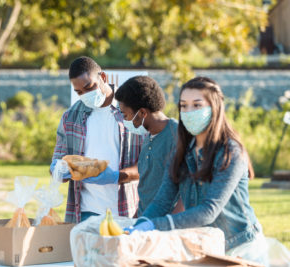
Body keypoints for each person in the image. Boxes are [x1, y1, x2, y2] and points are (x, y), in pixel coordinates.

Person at [124, 77, 268, 264]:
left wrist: (155, 225)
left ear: (214, 108)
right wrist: (140, 225)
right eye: (183, 106)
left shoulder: (230, 152)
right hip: (205, 246)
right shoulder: (181, 151)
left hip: (241, 247)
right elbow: (162, 201)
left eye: (196, 105)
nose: (188, 111)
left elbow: (209, 210)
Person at [50, 56, 143, 223]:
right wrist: (58, 170)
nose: (85, 95)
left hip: (128, 211)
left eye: (89, 87)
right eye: (79, 92)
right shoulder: (70, 117)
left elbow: (150, 164)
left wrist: (116, 176)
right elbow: (58, 165)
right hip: (85, 213)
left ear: (103, 78)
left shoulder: (133, 112)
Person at [115, 76, 182, 216]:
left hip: (167, 227)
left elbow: (187, 194)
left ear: (142, 113)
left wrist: (170, 224)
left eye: (126, 115)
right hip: (146, 222)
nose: (124, 121)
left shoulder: (178, 136)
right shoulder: (148, 138)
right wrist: (136, 220)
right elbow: (147, 188)